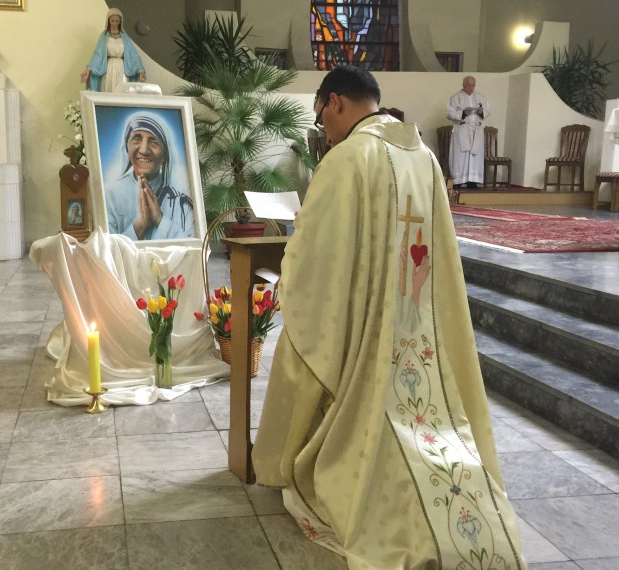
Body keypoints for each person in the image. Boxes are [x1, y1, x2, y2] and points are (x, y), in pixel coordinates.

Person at [252, 66, 527, 569]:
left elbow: (317, 256)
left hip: (366, 332)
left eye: (321, 118)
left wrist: (289, 273)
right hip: (418, 319)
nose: (325, 132)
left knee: (357, 416)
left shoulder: (347, 159)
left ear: (335, 102)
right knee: (430, 414)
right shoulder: (423, 157)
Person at [106, 113, 194, 240]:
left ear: (165, 154)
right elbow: (107, 252)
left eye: (154, 142)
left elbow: (194, 250)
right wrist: (140, 225)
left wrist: (159, 219)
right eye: (136, 139)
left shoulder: (181, 200)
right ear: (127, 147)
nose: (144, 150)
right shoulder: (110, 195)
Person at [81, 7, 146, 92]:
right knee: (108, 89)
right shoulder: (104, 36)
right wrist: (88, 70)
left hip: (122, 68)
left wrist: (140, 71)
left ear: (120, 22)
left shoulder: (125, 37)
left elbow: (132, 54)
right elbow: (98, 54)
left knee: (122, 90)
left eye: (117, 21)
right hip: (108, 68)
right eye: (112, 21)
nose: (115, 23)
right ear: (108, 20)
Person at [446, 75, 490, 189]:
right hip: (462, 130)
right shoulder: (456, 97)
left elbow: (487, 111)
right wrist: (464, 113)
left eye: (473, 85)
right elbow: (449, 113)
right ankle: (458, 181)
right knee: (461, 155)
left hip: (476, 130)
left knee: (475, 155)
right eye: (468, 85)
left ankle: (473, 180)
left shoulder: (481, 97)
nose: (471, 87)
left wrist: (481, 112)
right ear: (463, 85)